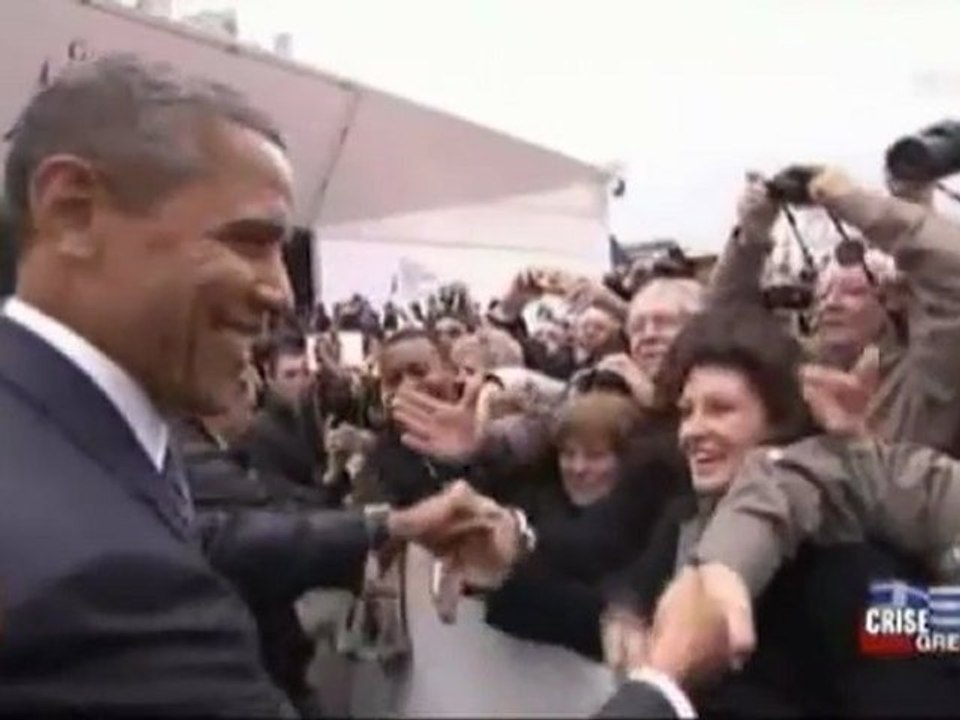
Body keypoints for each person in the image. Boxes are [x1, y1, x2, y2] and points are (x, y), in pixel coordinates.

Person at [0, 54, 514, 715]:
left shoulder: (64, 439)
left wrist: (393, 524)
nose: (282, 291)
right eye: (248, 240)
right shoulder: (106, 579)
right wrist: (664, 682)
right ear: (72, 212)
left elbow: (203, 536)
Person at [710, 167, 960, 458]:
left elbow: (952, 276)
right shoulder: (796, 373)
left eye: (852, 292)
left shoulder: (924, 377)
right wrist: (750, 238)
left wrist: (851, 201)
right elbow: (720, 327)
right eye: (823, 293)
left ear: (893, 300)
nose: (832, 303)